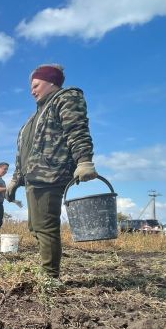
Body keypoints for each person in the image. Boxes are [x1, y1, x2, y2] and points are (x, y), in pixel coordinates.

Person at [6, 64, 98, 278]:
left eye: (36, 85)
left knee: (46, 227)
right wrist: (15, 180)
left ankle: (50, 277)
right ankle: (48, 271)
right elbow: (24, 152)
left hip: (51, 174)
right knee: (36, 227)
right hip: (34, 178)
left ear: (51, 82)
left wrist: (84, 160)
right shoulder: (34, 117)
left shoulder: (66, 98)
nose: (32, 90)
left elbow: (77, 129)